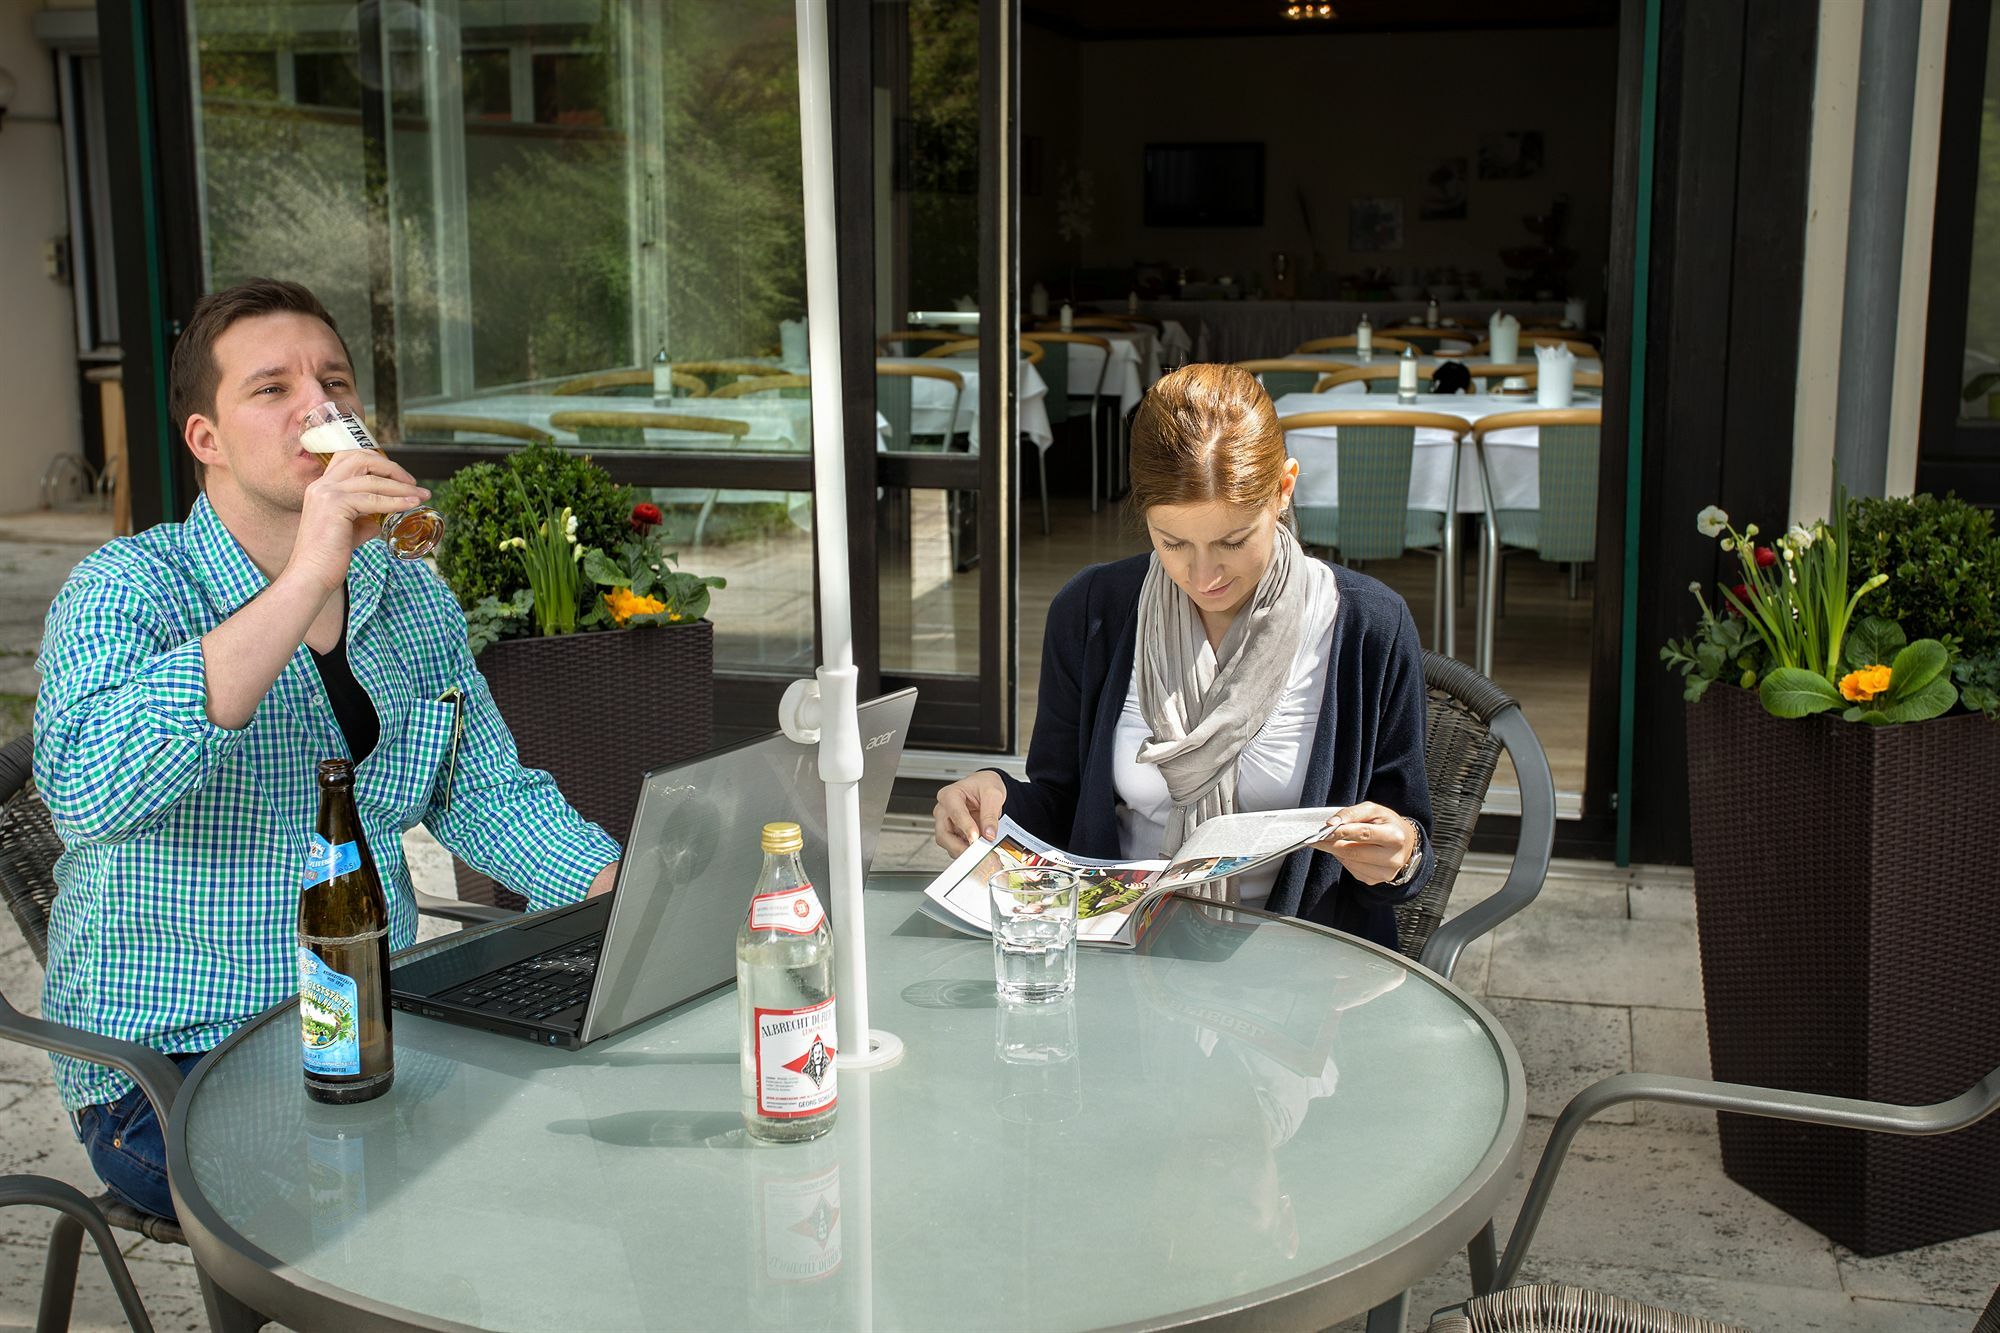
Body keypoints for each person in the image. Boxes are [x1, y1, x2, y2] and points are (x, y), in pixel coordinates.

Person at [33, 279, 620, 1220]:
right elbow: (87, 794)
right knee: (421, 1201)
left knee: (592, 1131)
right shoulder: (128, 589)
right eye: (272, 388)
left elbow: (488, 794)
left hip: (376, 1026)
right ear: (206, 441)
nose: (321, 407)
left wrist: (629, 892)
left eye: (335, 381)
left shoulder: (410, 598)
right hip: (175, 1063)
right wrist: (311, 568)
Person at [933, 362, 1432, 944]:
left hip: (1298, 968)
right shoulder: (1094, 611)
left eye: (1233, 540)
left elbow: (1410, 843)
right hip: (1119, 951)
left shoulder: (1369, 624)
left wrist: (1400, 853)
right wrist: (993, 797)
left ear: (1284, 489)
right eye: (1172, 543)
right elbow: (1061, 801)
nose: (1202, 574)